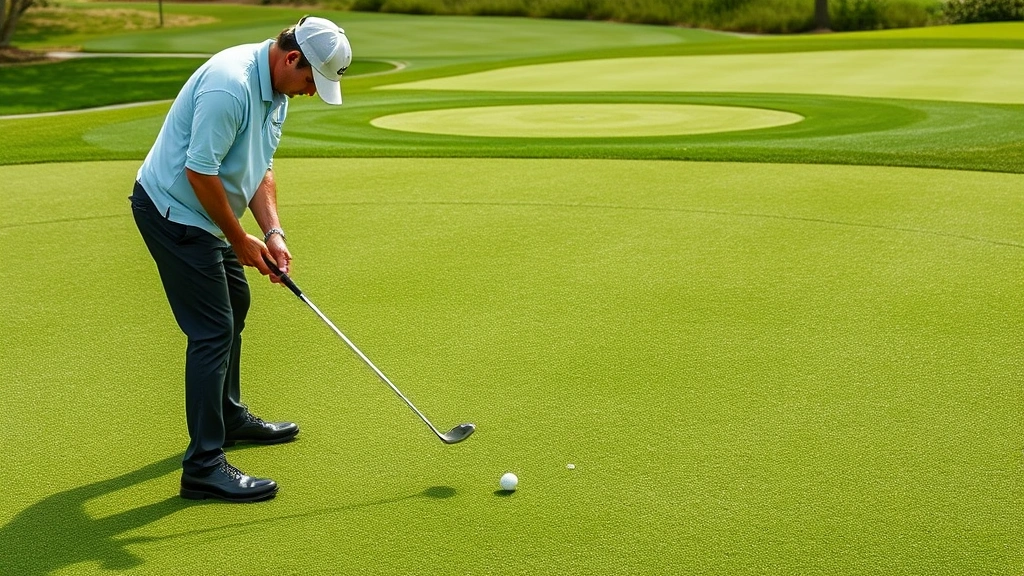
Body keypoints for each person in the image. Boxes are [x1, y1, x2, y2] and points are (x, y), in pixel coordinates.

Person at [129, 16, 352, 503]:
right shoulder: (230, 86)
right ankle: (203, 467)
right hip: (173, 211)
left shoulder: (278, 90)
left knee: (237, 303)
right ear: (292, 58)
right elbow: (199, 172)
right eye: (312, 81)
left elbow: (259, 167)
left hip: (206, 213)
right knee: (212, 330)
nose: (311, 91)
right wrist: (239, 240)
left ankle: (228, 416)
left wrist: (271, 232)